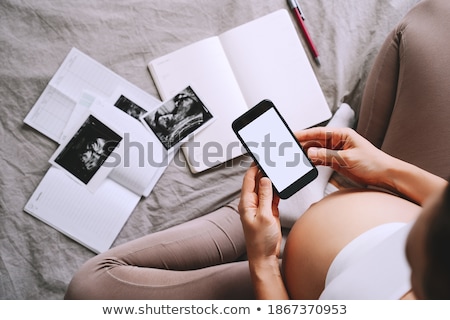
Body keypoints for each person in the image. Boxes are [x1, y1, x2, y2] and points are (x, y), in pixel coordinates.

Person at [65, 0, 450, 300]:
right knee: (437, 18)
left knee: (91, 288)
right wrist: (385, 169)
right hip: (390, 193)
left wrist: (263, 260)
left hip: (285, 276)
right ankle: (330, 184)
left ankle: (283, 206)